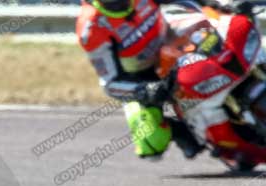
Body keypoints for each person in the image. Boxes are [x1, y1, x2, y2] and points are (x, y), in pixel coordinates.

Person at [76, 0, 244, 159]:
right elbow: (110, 84)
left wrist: (214, 4)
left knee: (223, 32)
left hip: (171, 42)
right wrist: (145, 90)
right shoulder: (91, 28)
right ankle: (184, 131)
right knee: (151, 142)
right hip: (141, 77)